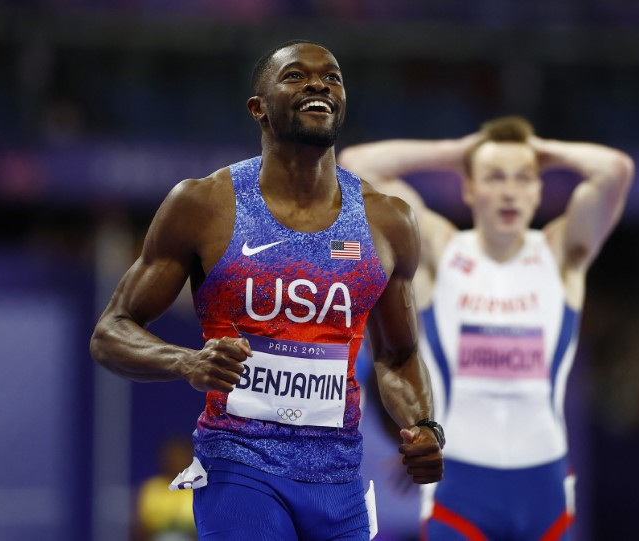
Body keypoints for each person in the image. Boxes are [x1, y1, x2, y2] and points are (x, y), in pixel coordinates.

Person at [90, 39, 445, 540]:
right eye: (296, 76)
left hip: (338, 478)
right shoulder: (203, 205)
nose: (319, 83)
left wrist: (424, 427)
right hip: (239, 466)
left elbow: (398, 354)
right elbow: (110, 332)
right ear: (258, 108)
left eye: (332, 77)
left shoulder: (387, 221)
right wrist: (186, 362)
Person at [338, 116, 634, 541]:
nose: (509, 191)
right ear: (468, 188)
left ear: (538, 190)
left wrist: (540, 148)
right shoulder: (440, 250)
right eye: (494, 177)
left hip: (544, 492)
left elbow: (616, 169)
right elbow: (357, 164)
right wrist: (458, 150)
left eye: (523, 178)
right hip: (460, 490)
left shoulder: (561, 253)